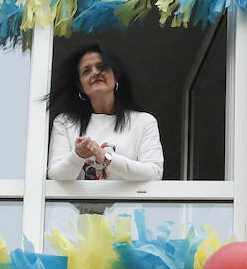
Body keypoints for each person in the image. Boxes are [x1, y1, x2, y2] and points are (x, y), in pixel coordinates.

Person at [47, 44, 164, 181]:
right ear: (81, 87)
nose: (95, 73)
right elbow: (55, 175)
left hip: (129, 203)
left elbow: (154, 173)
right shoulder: (65, 122)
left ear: (116, 77)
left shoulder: (144, 122)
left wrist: (106, 158)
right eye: (86, 71)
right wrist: (78, 155)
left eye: (102, 67)